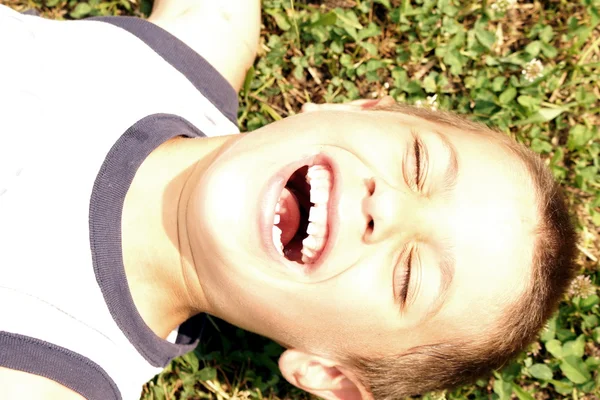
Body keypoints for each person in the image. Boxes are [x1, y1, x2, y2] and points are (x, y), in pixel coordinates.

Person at [0, 1, 577, 399]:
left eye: (409, 277)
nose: (388, 209)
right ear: (348, 110)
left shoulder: (49, 372)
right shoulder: (190, 53)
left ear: (329, 372)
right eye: (418, 163)